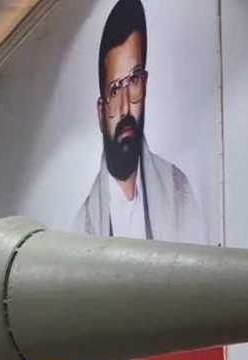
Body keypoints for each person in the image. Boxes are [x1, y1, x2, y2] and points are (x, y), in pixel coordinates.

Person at [74, 0, 206, 243]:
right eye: (115, 90)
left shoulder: (178, 192)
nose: (125, 107)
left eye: (133, 81)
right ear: (101, 113)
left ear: (144, 85)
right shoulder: (84, 226)